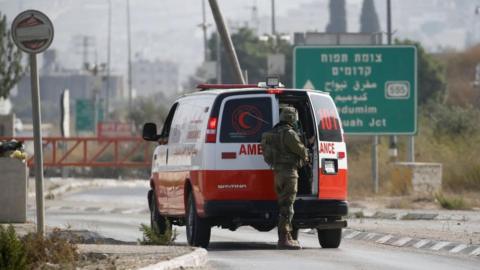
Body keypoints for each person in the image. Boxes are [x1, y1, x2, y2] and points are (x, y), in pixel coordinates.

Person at [269, 106, 308, 250]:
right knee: (287, 207)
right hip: (289, 173)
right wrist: (306, 152)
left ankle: (288, 236)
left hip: (278, 173)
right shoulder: (289, 133)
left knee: (284, 205)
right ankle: (283, 239)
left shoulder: (273, 133)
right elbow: (301, 150)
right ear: (292, 118)